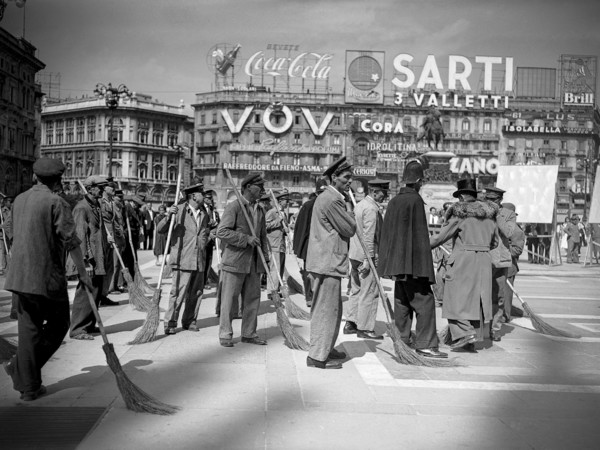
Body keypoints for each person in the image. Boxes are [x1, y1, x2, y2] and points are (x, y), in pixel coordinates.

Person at [3, 158, 93, 401]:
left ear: (35, 177)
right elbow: (70, 239)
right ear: (58, 180)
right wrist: (83, 272)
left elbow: (9, 231)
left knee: (28, 331)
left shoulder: (19, 199)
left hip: (19, 276)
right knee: (58, 324)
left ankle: (28, 386)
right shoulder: (57, 202)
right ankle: (21, 371)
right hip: (46, 277)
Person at [378, 159, 447, 359]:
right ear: (418, 181)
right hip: (414, 265)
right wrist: (424, 267)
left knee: (402, 301)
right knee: (425, 301)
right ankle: (425, 344)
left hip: (397, 265)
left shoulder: (394, 201)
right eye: (421, 182)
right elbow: (418, 236)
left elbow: (387, 234)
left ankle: (402, 338)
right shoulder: (415, 200)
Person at [430, 179, 498, 352]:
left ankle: (465, 333)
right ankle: (471, 340)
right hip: (484, 262)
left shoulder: (460, 214)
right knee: (476, 301)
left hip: (463, 260)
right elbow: (495, 242)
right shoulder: (489, 215)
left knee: (453, 299)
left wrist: (420, 246)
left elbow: (440, 237)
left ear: (461, 196)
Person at [306, 156, 356, 369]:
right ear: (334, 177)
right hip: (328, 262)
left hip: (325, 261)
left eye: (350, 178)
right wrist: (350, 210)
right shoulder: (333, 199)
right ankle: (318, 356)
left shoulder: (328, 197)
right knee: (327, 310)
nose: (349, 182)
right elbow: (349, 228)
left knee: (330, 309)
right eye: (346, 178)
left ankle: (326, 347)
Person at [216, 172, 270, 348]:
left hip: (254, 263)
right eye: (259, 186)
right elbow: (222, 232)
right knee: (229, 301)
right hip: (235, 262)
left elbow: (262, 237)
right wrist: (245, 239)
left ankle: (249, 333)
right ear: (248, 187)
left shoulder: (260, 209)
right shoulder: (234, 207)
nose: (262, 189)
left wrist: (266, 259)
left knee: (253, 300)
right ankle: (225, 334)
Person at [159, 183, 210, 335]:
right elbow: (160, 230)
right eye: (202, 194)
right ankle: (170, 322)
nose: (204, 196)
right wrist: (168, 216)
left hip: (199, 259)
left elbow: (203, 233)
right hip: (182, 259)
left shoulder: (204, 213)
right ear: (194, 196)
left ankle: (190, 321)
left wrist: (204, 241)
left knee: (196, 293)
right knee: (177, 293)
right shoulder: (179, 210)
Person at [70, 175, 113, 340]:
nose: (102, 191)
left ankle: (88, 324)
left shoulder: (95, 206)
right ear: (91, 188)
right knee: (85, 292)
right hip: (90, 258)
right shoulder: (82, 208)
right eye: (100, 188)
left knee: (96, 290)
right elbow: (80, 236)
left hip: (99, 255)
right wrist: (85, 261)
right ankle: (78, 329)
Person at [345, 179, 389, 340]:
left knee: (356, 289)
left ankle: (351, 322)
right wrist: (368, 259)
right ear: (374, 192)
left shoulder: (360, 205)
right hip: (366, 255)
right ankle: (365, 327)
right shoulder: (371, 209)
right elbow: (369, 236)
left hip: (355, 253)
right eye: (383, 193)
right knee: (369, 292)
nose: (385, 196)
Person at [485, 186, 516, 342]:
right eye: (488, 199)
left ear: (500, 200)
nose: (490, 203)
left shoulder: (508, 215)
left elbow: (509, 233)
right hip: (482, 259)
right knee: (479, 295)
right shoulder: (480, 211)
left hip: (500, 261)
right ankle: (480, 327)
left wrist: (497, 215)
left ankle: (495, 328)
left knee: (499, 297)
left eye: (494, 200)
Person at [292, 179, 327, 308]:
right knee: (308, 272)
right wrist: (300, 247)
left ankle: (320, 296)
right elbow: (301, 227)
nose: (322, 194)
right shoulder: (308, 206)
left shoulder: (329, 205)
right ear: (317, 193)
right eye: (320, 192)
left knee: (323, 273)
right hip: (310, 245)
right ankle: (309, 297)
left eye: (324, 192)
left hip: (324, 246)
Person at [501, 203, 525, 323]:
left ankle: (505, 315)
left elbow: (517, 250)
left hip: (508, 267)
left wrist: (502, 250)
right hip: (496, 265)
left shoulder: (516, 230)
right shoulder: (499, 226)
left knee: (506, 294)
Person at [99, 182, 120, 306]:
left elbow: (115, 220)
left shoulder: (112, 202)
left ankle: (104, 294)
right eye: (111, 187)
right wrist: (106, 234)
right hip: (103, 237)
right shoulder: (100, 202)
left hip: (112, 238)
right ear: (104, 189)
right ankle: (98, 294)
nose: (113, 189)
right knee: (102, 267)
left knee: (110, 267)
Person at [265, 191, 289, 296]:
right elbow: (265, 226)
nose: (287, 203)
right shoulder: (272, 212)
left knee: (280, 268)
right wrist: (278, 221)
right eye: (286, 201)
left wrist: (285, 229)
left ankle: (277, 289)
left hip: (281, 244)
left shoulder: (284, 213)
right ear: (280, 201)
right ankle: (271, 291)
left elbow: (281, 228)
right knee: (274, 268)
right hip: (273, 244)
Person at [203, 190, 220, 286]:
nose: (210, 200)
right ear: (204, 199)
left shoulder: (213, 211)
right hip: (203, 239)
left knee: (208, 261)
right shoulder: (201, 209)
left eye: (211, 198)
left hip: (211, 241)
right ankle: (200, 281)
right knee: (202, 261)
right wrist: (208, 234)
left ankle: (205, 280)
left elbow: (219, 225)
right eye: (208, 198)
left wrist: (216, 230)